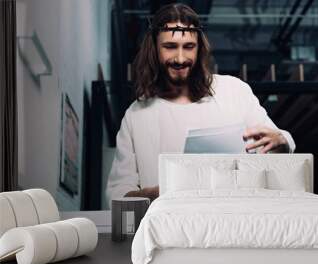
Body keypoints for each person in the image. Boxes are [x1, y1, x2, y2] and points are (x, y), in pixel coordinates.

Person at [106, 3, 296, 204]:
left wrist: (281, 141)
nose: (180, 58)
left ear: (199, 48)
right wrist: (160, 193)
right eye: (170, 47)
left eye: (189, 47)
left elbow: (278, 147)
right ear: (154, 49)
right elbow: (117, 194)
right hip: (170, 225)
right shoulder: (137, 114)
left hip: (235, 218)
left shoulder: (233, 91)